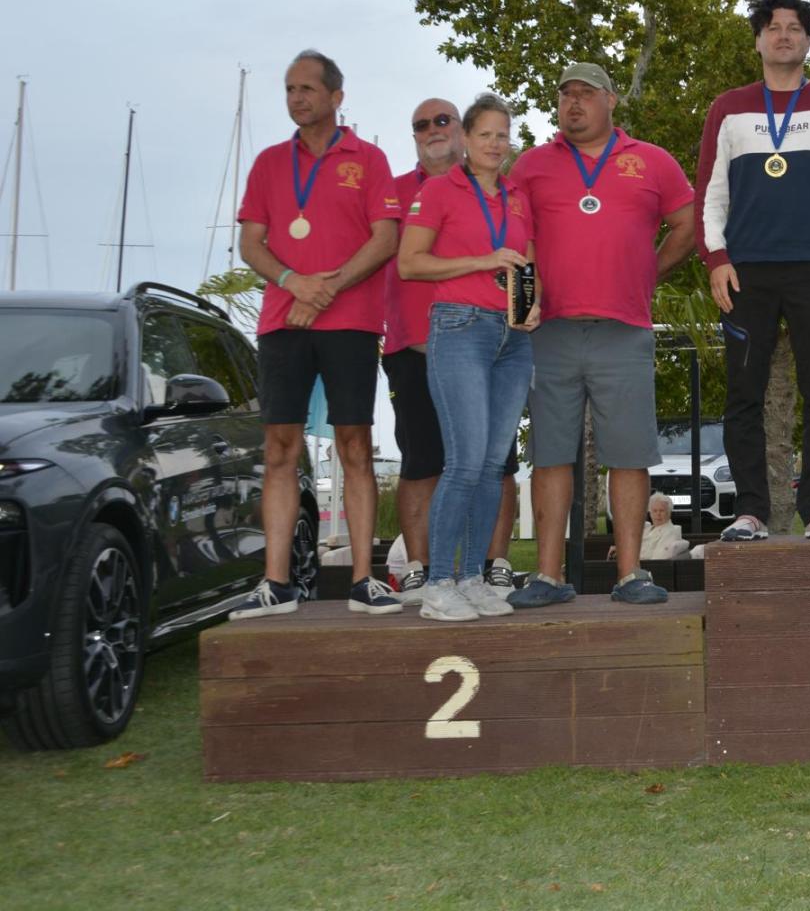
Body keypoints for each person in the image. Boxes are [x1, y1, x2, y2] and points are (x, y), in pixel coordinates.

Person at [508, 62, 695, 606]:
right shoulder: (531, 165)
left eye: (586, 94)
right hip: (550, 330)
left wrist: (648, 272)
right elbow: (511, 235)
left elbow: (687, 224)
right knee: (550, 454)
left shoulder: (652, 160)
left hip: (624, 329)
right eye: (566, 94)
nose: (574, 103)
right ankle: (547, 577)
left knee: (629, 454)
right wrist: (523, 298)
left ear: (611, 100)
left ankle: (630, 574)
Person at [230, 51, 402, 619]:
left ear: (336, 96)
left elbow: (385, 239)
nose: (296, 98)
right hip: (284, 321)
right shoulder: (269, 163)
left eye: (306, 88)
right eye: (289, 89)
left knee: (355, 444)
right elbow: (251, 243)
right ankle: (276, 583)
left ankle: (363, 580)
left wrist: (326, 288)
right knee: (280, 448)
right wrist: (293, 283)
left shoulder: (369, 159)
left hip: (350, 322)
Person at [696, 0, 810, 542]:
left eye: (794, 27)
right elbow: (710, 192)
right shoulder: (728, 107)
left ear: (808, 41)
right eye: (772, 27)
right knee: (743, 395)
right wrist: (716, 258)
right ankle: (750, 510)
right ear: (758, 40)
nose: (783, 35)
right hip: (745, 272)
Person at [396, 93, 538, 621]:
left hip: (513, 339)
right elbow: (410, 264)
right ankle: (438, 584)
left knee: (493, 464)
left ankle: (473, 578)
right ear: (465, 139)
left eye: (503, 135)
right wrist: (483, 260)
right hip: (459, 329)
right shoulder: (438, 190)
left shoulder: (517, 196)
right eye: (485, 135)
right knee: (464, 460)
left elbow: (527, 261)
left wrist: (533, 304)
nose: (495, 144)